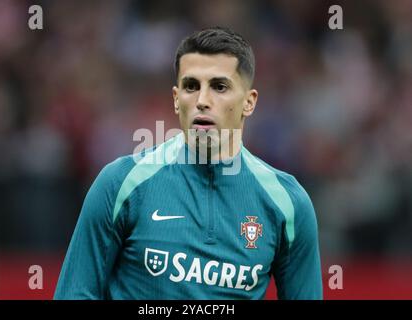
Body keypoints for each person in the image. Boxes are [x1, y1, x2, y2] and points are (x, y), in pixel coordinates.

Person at [54, 27, 323, 300]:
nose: (202, 101)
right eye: (191, 86)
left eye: (219, 87)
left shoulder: (288, 203)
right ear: (175, 99)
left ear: (248, 102)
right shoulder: (120, 184)